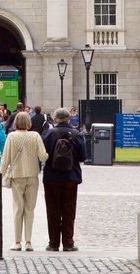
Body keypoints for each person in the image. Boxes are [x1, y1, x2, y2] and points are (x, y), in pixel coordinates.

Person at [0, 111, 48, 252]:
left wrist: (0, 175)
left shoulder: (11, 137)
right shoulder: (35, 136)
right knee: (29, 209)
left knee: (17, 209)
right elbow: (43, 157)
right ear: (29, 122)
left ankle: (17, 242)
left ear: (15, 122)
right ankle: (28, 242)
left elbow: (6, 158)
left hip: (17, 176)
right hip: (32, 176)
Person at [41, 107, 87, 252]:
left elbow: (43, 155)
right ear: (68, 119)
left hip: (52, 177)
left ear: (55, 119)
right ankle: (68, 242)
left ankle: (53, 243)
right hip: (70, 176)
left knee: (53, 210)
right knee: (69, 210)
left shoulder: (48, 134)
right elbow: (82, 157)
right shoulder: (77, 134)